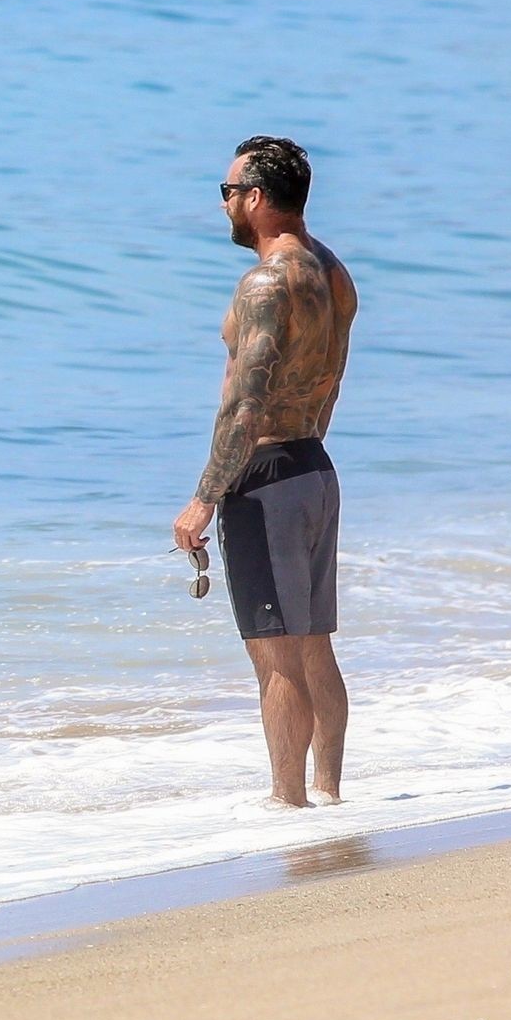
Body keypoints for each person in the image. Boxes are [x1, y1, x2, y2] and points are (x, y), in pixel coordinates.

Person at [173, 137, 358, 808]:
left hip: (267, 474)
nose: (224, 204)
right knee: (313, 644)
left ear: (255, 198)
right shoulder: (332, 273)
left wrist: (205, 498)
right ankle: (328, 794)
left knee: (274, 652)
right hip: (313, 464)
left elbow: (244, 402)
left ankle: (288, 802)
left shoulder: (265, 283)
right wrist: (300, 458)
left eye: (228, 192)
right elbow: (330, 381)